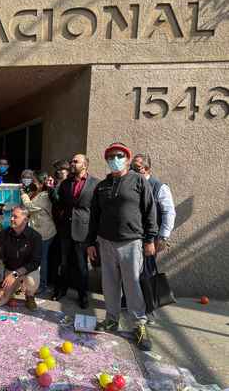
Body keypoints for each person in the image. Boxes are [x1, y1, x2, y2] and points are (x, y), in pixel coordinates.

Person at [87, 142, 158, 351]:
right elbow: (94, 216)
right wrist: (91, 242)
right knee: (109, 283)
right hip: (106, 242)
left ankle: (139, 325)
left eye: (118, 155)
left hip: (131, 242)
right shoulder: (102, 186)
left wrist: (150, 239)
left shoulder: (138, 181)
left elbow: (150, 210)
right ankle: (111, 319)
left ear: (127, 159)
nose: (114, 159)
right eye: (110, 157)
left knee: (132, 284)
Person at [52, 154, 99, 308]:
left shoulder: (95, 184)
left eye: (75, 161)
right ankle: (62, 290)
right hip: (66, 229)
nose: (72, 163)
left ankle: (83, 295)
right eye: (71, 161)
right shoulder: (66, 183)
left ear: (85, 165)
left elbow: (97, 211)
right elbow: (59, 203)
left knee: (81, 266)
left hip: (83, 231)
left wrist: (94, 235)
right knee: (64, 263)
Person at [0, 206, 42, 310]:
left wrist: (15, 274)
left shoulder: (35, 237)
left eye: (15, 217)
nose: (11, 219)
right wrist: (0, 286)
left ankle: (29, 295)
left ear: (25, 220)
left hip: (26, 272)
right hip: (9, 271)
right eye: (11, 216)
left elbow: (35, 262)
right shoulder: (3, 234)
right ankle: (15, 288)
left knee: (31, 280)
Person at [20, 171, 56, 294]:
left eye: (34, 181)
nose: (32, 183)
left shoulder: (45, 195)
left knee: (42, 259)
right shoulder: (37, 193)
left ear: (41, 184)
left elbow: (30, 206)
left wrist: (23, 194)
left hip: (45, 232)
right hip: (38, 230)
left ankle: (42, 285)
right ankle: (33, 282)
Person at [131, 153, 176, 252]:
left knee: (147, 267)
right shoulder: (130, 184)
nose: (133, 170)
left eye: (136, 167)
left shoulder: (159, 187)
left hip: (149, 240)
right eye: (131, 166)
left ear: (146, 169)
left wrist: (163, 236)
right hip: (131, 238)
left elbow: (168, 212)